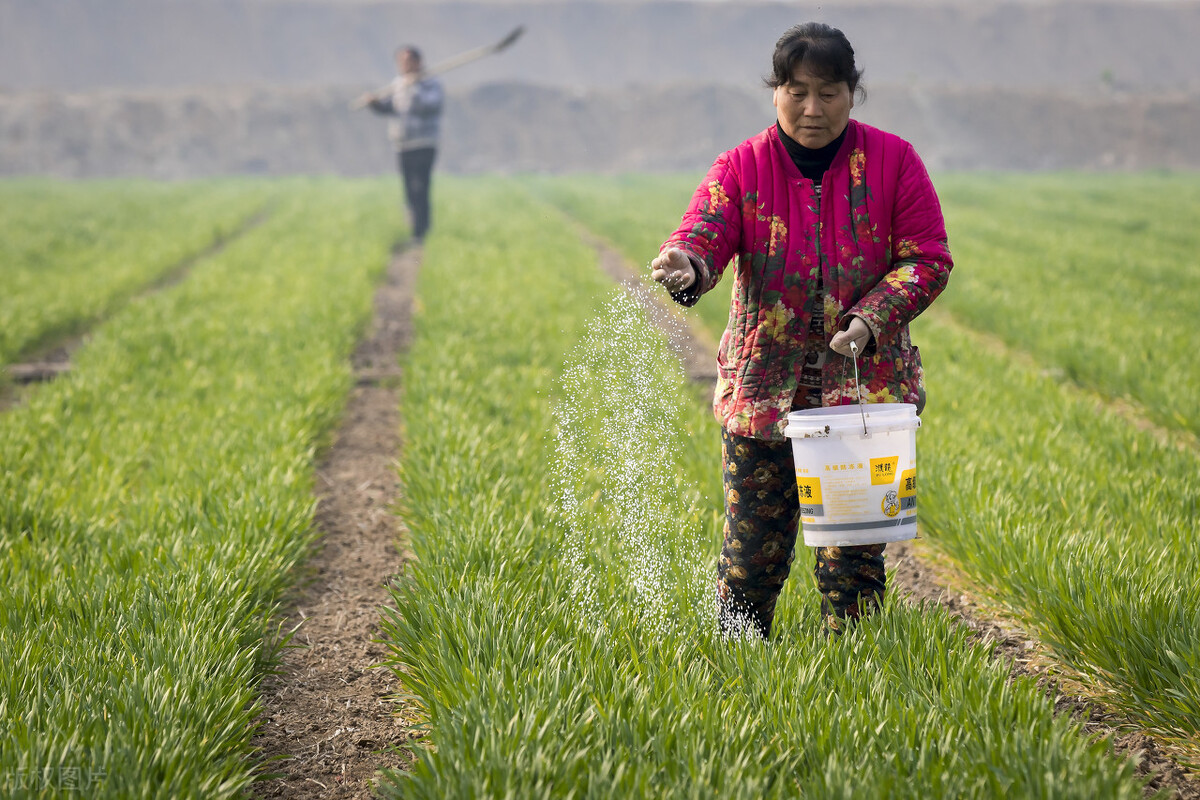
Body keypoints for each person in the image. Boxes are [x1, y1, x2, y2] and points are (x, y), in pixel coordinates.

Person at [650, 22, 952, 639]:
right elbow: (703, 234)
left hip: (859, 399)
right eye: (797, 92)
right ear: (775, 92)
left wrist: (870, 318)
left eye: (829, 92)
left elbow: (927, 257)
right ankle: (736, 678)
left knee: (854, 571)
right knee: (749, 561)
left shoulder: (893, 162)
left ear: (851, 93)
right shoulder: (742, 167)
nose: (812, 109)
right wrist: (687, 264)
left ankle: (856, 685)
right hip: (764, 393)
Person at [359, 46, 445, 244]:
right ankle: (416, 228)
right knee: (408, 189)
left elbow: (430, 107)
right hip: (403, 145)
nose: (404, 66)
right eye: (401, 62)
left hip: (424, 143)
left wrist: (413, 87)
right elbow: (391, 108)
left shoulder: (431, 84)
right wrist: (375, 104)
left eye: (407, 62)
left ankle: (421, 231)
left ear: (418, 62)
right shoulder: (398, 84)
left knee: (420, 187)